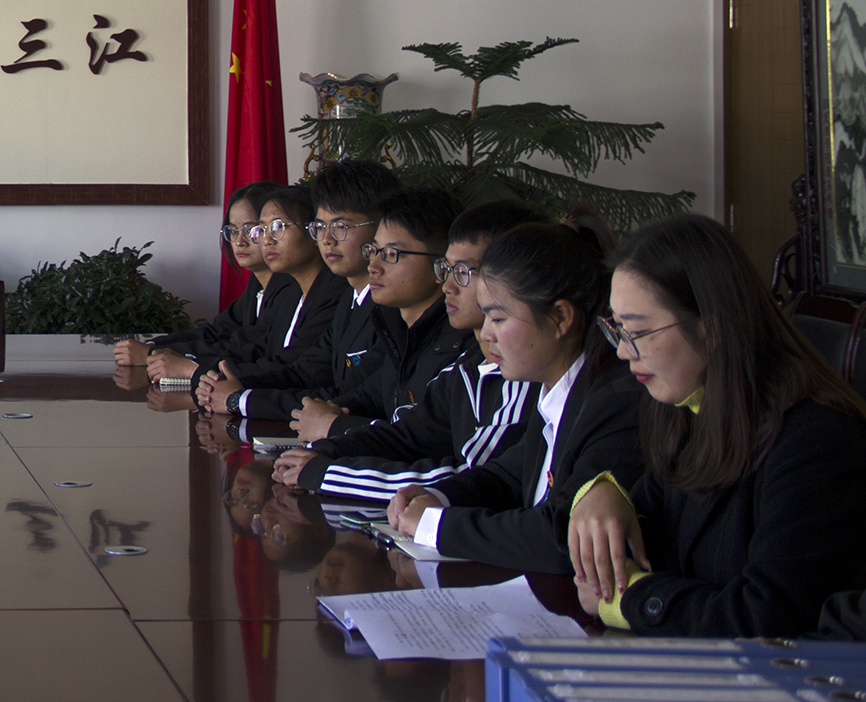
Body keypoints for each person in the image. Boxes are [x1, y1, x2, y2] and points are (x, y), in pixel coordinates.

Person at [569, 215, 866, 636]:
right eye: (615, 327)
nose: (621, 351)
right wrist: (601, 492)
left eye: (637, 331)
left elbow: (768, 617)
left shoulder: (816, 439)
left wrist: (626, 599)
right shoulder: (687, 401)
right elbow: (645, 531)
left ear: (714, 328)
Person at [385, 212, 645, 573]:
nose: (487, 334)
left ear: (561, 318)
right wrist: (439, 496)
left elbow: (561, 535)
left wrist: (437, 526)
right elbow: (508, 475)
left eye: (498, 318)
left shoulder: (615, 402)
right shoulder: (554, 389)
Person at [269, 200, 544, 499]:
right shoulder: (466, 366)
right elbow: (407, 435)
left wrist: (328, 470)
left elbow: (480, 480)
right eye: (448, 269)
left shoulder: (522, 378)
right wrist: (325, 451)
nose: (448, 285)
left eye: (464, 271)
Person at [195, 160, 398, 421]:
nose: (327, 240)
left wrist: (239, 399)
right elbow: (305, 371)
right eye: (321, 227)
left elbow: (354, 398)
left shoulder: (389, 306)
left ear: (382, 229)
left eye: (340, 226)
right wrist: (231, 385)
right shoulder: (351, 297)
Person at [287, 188, 467, 442]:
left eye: (391, 254)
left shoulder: (458, 347)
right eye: (374, 251)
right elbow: (368, 396)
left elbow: (425, 440)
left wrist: (334, 426)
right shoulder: (398, 328)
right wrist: (322, 413)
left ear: (442, 266)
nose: (373, 266)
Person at [152, 186, 349, 389]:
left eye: (278, 227)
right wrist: (170, 355)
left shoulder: (333, 294)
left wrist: (194, 370)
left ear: (314, 231)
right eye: (262, 230)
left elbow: (292, 370)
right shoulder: (295, 293)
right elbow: (257, 349)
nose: (267, 240)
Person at [113, 181, 278, 369]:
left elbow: (246, 349)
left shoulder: (288, 288)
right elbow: (217, 331)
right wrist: (154, 345)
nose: (239, 241)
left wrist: (154, 354)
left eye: (250, 230)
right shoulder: (257, 284)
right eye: (233, 231)